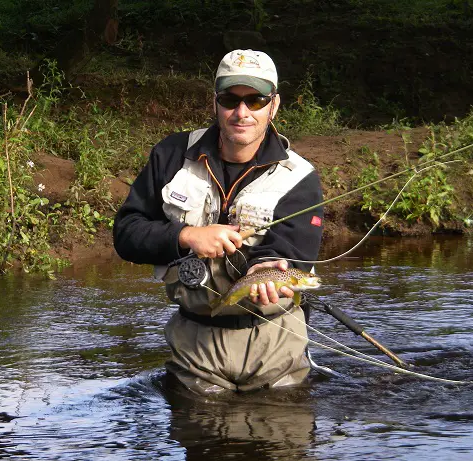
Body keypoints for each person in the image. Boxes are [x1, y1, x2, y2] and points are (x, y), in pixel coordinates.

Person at [113, 49, 324, 394]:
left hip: (276, 344)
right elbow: (126, 234)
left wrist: (264, 270)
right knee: (202, 443)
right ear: (215, 102)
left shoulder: (300, 178)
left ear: (274, 105)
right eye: (230, 99)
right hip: (194, 348)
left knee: (283, 441)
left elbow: (293, 251)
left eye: (255, 101)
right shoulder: (170, 155)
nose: (242, 113)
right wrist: (186, 235)